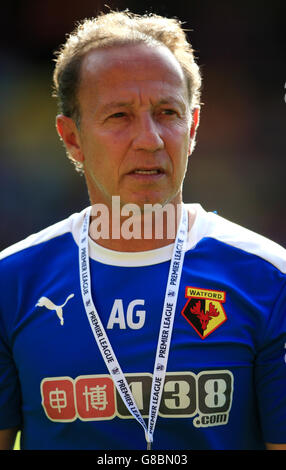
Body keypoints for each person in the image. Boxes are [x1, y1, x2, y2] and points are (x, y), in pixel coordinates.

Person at [0, 10, 285, 451]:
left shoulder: (270, 279)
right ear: (71, 137)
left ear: (191, 128)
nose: (149, 139)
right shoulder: (11, 282)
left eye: (167, 112)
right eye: (119, 116)